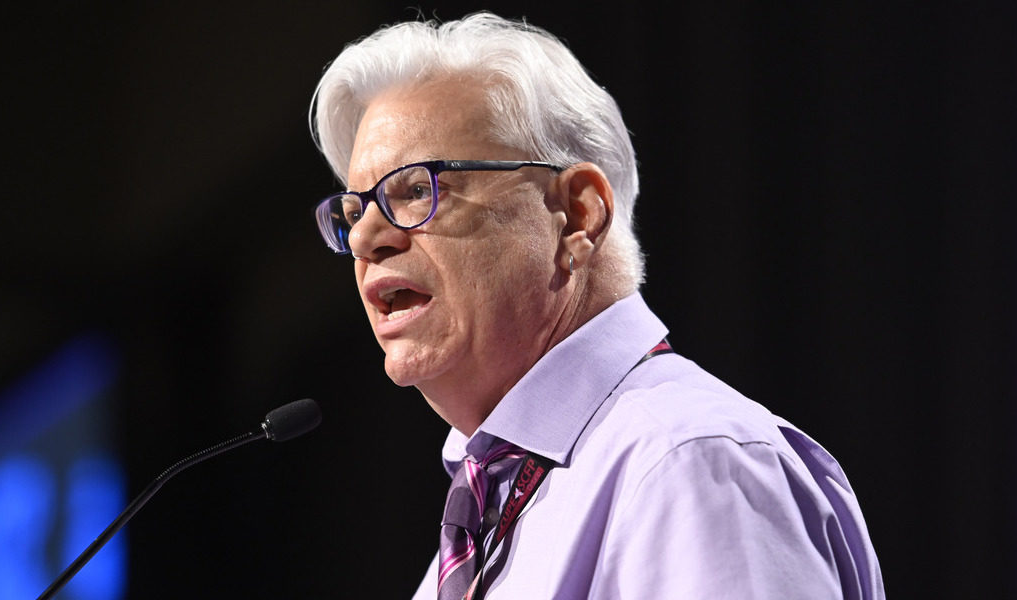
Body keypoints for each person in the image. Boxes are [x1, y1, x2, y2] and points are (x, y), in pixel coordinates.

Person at [309, 12, 884, 600]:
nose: (364, 239)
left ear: (578, 216)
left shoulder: (687, 463)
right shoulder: (484, 528)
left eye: (417, 189)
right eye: (354, 211)